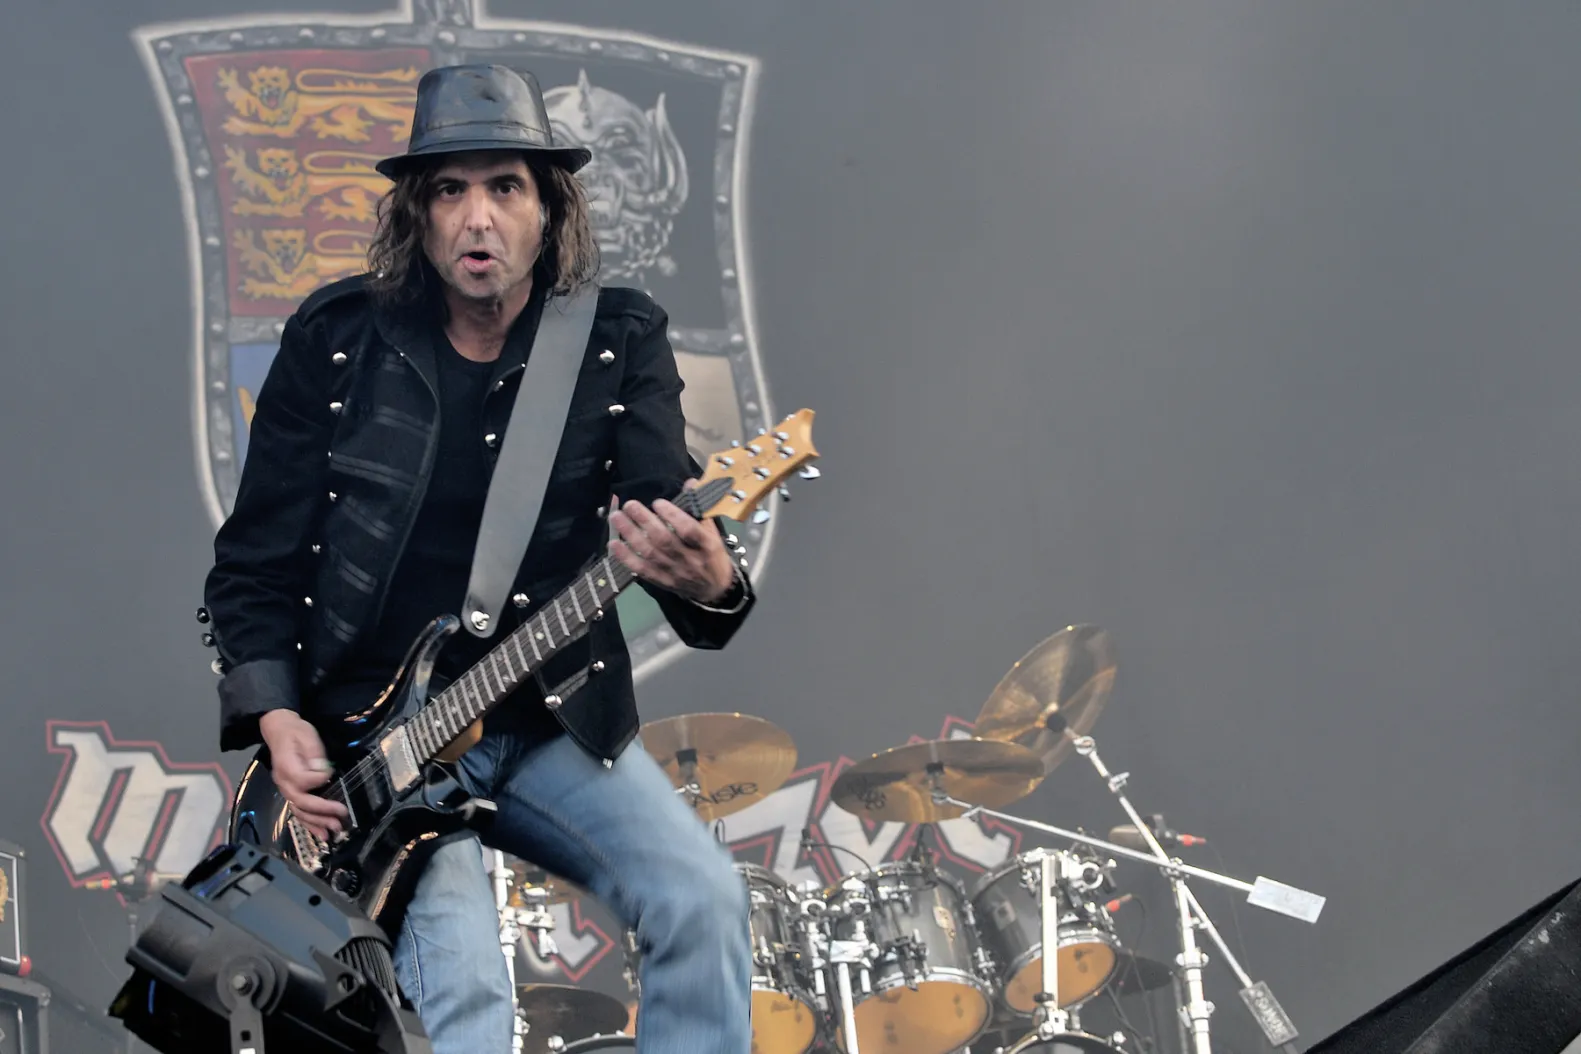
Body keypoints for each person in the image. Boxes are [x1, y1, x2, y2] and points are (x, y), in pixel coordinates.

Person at [200, 63, 753, 1054]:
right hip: (371, 744)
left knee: (701, 897)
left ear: (550, 209)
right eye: (450, 190)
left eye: (505, 186)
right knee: (461, 994)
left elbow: (666, 523)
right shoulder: (337, 339)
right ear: (417, 214)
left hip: (544, 715)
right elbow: (252, 565)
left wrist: (711, 579)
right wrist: (277, 716)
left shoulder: (616, 338)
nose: (478, 218)